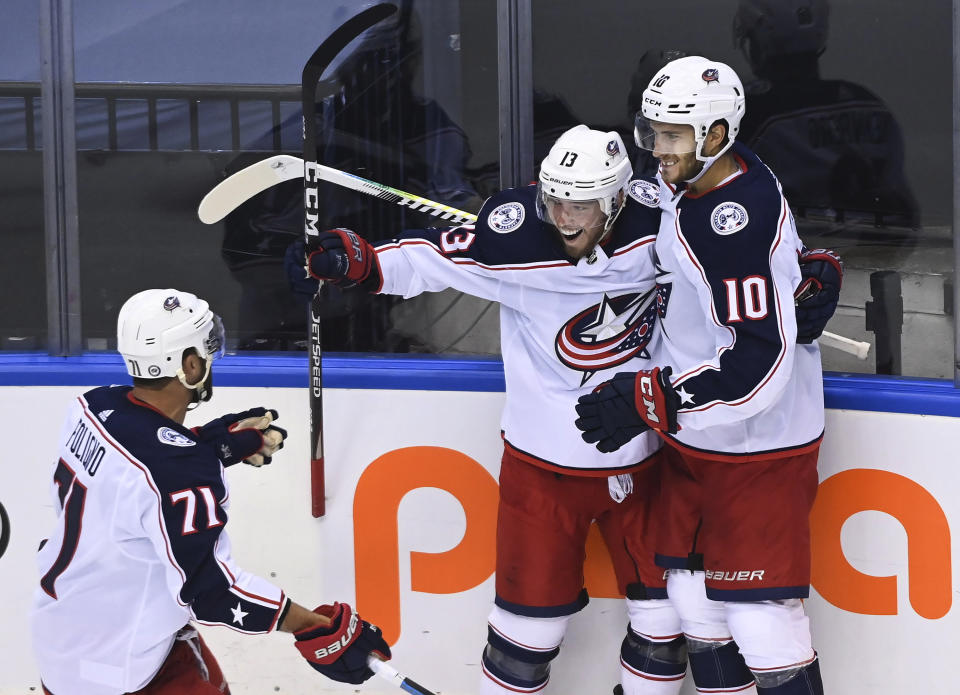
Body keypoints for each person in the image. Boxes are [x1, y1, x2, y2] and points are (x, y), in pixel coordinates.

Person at [303, 124, 839, 695]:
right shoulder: (514, 241)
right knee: (524, 635)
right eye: (554, 199)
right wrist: (355, 261)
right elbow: (430, 258)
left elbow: (743, 242)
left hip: (646, 459)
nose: (563, 217)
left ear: (614, 200)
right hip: (543, 467)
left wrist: (813, 268)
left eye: (580, 204)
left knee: (667, 622)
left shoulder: (660, 224)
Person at [576, 56, 832, 694]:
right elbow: (664, 207)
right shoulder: (704, 183)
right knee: (695, 603)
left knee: (761, 617)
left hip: (756, 449)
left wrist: (651, 398)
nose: (656, 149)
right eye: (653, 132)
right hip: (700, 443)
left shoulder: (731, 223)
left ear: (716, 135)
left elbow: (757, 367)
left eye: (672, 136)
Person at [30, 288, 390, 694]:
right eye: (206, 350)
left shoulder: (91, 406)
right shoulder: (178, 472)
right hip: (123, 670)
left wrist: (208, 446)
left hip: (60, 640)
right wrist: (315, 628)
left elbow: (137, 467)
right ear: (189, 363)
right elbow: (214, 592)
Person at [733, 0, 919, 236]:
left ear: (761, 38)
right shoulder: (868, 103)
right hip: (879, 252)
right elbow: (905, 210)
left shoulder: (753, 112)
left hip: (801, 255)